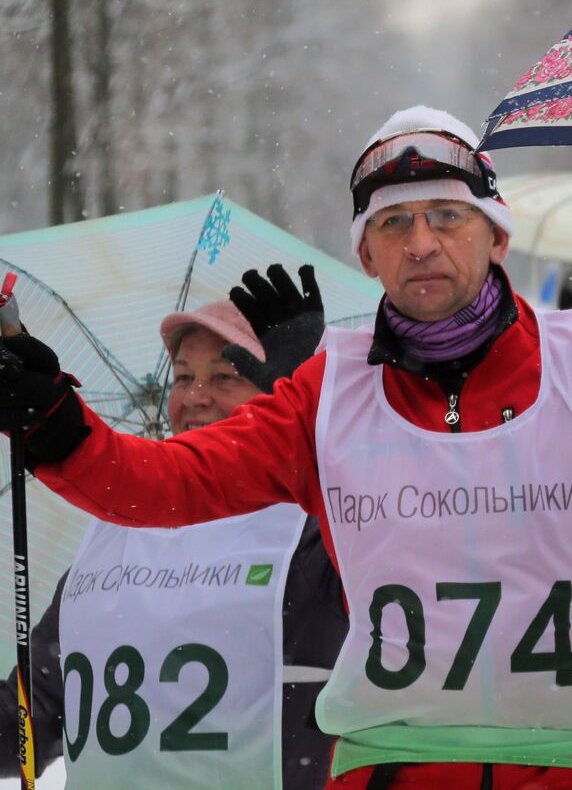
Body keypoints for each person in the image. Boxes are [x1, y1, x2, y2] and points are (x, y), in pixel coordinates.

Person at [0, 106, 572, 790]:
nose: (422, 243)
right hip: (391, 773)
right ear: (366, 253)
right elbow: (168, 483)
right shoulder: (330, 395)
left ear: (496, 236)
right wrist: (56, 426)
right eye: (393, 222)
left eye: (447, 216)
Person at [0, 293, 346, 789]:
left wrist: (321, 422)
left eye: (225, 377)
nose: (196, 396)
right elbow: (32, 715)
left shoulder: (317, 526)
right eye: (183, 377)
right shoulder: (116, 525)